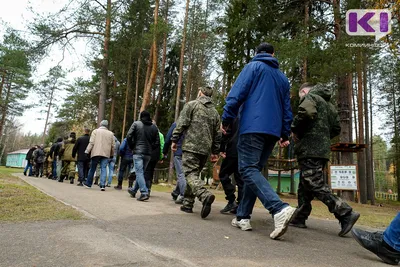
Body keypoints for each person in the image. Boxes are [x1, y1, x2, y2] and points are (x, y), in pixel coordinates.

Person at [221, 42, 296, 240]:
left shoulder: (252, 67)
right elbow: (287, 109)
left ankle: (278, 208)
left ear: (257, 53)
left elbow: (236, 95)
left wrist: (226, 120)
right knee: (253, 172)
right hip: (272, 131)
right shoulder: (282, 78)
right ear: (273, 54)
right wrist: (284, 133)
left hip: (252, 127)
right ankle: (243, 216)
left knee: (247, 169)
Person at [290, 83, 360, 236]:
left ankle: (344, 212)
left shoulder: (310, 97)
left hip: (309, 148)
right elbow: (336, 129)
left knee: (313, 183)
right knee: (305, 183)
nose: (301, 97)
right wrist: (322, 138)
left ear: (303, 91)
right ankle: (299, 218)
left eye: (301, 94)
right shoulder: (330, 106)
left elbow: (305, 112)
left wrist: (294, 128)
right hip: (321, 150)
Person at [172, 86, 221, 219]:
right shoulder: (215, 113)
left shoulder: (191, 105)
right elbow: (218, 134)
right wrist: (215, 151)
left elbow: (181, 124)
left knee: (189, 174)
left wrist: (174, 140)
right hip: (205, 150)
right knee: (194, 174)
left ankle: (204, 195)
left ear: (200, 93)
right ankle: (188, 204)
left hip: (191, 147)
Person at [126, 111, 160, 201]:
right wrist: (151, 148)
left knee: (139, 172)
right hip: (148, 154)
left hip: (138, 152)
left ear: (141, 116)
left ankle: (144, 193)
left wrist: (132, 146)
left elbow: (128, 136)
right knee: (140, 172)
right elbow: (157, 142)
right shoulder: (154, 127)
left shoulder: (136, 124)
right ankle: (133, 190)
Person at [219, 117, 243, 214]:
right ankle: (240, 206)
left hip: (233, 148)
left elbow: (225, 132)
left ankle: (231, 200)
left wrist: (222, 148)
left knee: (223, 173)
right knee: (240, 178)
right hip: (244, 149)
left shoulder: (232, 114)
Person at [84, 120, 115, 191]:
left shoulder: (95, 131)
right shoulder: (111, 134)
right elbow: (113, 146)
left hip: (96, 152)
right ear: (106, 126)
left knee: (93, 168)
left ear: (100, 124)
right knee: (103, 168)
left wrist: (87, 151)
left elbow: (91, 142)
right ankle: (102, 185)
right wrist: (112, 154)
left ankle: (88, 183)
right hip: (106, 153)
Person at [163, 122, 186, 204]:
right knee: (185, 174)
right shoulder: (193, 124)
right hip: (191, 153)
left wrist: (164, 151)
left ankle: (183, 195)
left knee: (181, 174)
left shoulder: (177, 124)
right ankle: (176, 192)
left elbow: (168, 137)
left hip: (179, 151)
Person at [144, 121, 164, 196]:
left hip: (147, 154)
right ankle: (148, 188)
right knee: (151, 172)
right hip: (155, 156)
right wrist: (161, 157)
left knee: (146, 172)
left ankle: (146, 189)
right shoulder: (160, 135)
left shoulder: (147, 132)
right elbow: (162, 146)